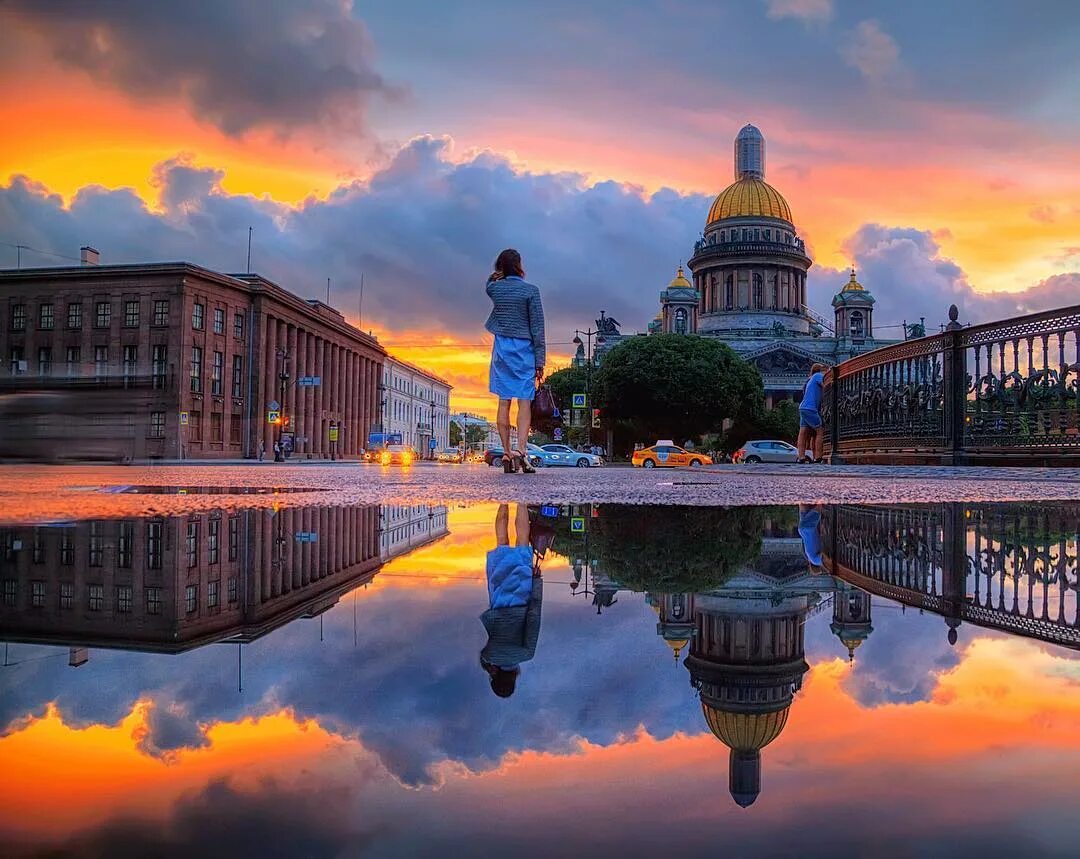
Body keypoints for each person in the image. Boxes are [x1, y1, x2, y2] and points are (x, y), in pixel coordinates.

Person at [485, 249, 545, 474]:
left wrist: (497, 273)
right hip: (524, 350)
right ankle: (521, 451)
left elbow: (489, 283)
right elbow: (537, 327)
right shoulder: (530, 291)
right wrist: (540, 360)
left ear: (500, 266)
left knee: (503, 401)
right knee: (524, 401)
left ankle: (506, 453)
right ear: (519, 265)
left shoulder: (495, 289)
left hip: (502, 349)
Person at [480, 503, 544, 698]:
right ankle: (503, 499)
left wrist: (537, 583)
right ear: (495, 679)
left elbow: (533, 619)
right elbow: (485, 658)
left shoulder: (526, 654)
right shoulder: (489, 656)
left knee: (523, 543)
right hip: (498, 600)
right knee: (501, 542)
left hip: (521, 597)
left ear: (513, 680)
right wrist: (489, 668)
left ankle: (522, 500)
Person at [797, 362, 828, 463]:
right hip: (811, 409)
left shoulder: (809, 380)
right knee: (820, 431)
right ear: (821, 370)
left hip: (803, 407)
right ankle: (818, 457)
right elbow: (825, 385)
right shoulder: (818, 376)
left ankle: (801, 457)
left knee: (802, 434)